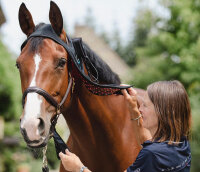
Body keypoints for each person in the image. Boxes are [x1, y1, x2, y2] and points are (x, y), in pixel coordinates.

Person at [59, 80, 192, 172]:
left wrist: (78, 168)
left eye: (145, 105)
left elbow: (150, 150)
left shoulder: (151, 155)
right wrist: (132, 106)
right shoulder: (180, 143)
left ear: (163, 112)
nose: (141, 109)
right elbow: (146, 142)